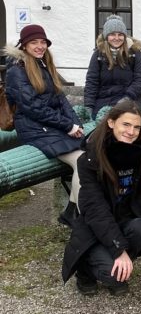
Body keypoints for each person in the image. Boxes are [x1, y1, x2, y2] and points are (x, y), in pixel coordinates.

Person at [61, 100, 141, 296]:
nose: (131, 131)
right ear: (111, 123)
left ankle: (119, 268)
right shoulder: (90, 160)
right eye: (126, 124)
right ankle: (85, 272)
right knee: (111, 274)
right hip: (96, 228)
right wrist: (119, 250)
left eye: (136, 127)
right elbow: (96, 212)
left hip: (124, 221)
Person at [4, 24, 84, 224]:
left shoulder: (43, 65)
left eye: (43, 42)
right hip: (33, 129)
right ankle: (79, 217)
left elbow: (61, 99)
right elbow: (33, 107)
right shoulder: (16, 71)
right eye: (34, 42)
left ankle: (72, 214)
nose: (40, 46)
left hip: (50, 127)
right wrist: (67, 126)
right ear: (24, 46)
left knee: (89, 159)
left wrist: (75, 123)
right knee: (82, 162)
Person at [84, 15, 141, 117]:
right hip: (103, 100)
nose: (117, 38)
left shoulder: (135, 53)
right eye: (112, 34)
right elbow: (92, 81)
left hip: (129, 99)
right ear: (106, 36)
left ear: (125, 36)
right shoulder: (98, 54)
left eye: (120, 34)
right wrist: (88, 105)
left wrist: (127, 98)